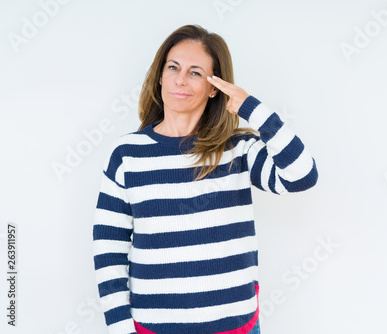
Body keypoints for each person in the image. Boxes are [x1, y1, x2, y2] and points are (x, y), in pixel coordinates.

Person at [92, 24, 319, 334]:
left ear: (215, 87)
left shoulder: (238, 149)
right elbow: (109, 247)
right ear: (160, 75)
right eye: (173, 67)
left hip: (235, 325)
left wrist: (252, 108)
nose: (180, 79)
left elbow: (302, 175)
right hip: (155, 327)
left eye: (196, 73)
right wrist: (121, 328)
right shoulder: (127, 154)